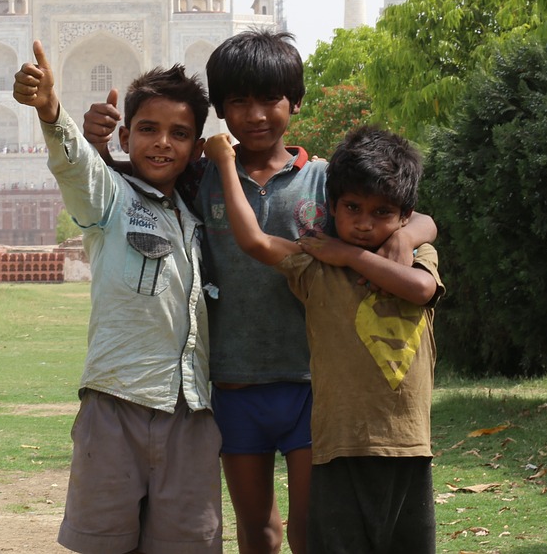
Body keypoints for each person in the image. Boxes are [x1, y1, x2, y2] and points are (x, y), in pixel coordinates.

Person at [83, 29, 437, 554]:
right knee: (257, 530)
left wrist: (408, 234)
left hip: (313, 381)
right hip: (234, 380)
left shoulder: (324, 181)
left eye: (270, 100)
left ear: (295, 101)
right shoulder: (200, 177)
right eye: (238, 102)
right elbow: (128, 185)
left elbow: (408, 212)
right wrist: (97, 143)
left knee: (309, 529)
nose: (255, 116)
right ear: (221, 111)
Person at [13, 41, 222, 554]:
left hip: (190, 412)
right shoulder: (111, 202)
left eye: (179, 134)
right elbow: (77, 166)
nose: (161, 144)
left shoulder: (202, 222)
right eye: (147, 130)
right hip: (114, 405)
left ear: (197, 148)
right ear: (125, 135)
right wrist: (50, 111)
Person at [205, 126, 442, 553]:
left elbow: (422, 290)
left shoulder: (414, 255)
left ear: (404, 216)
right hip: (336, 445)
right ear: (332, 206)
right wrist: (225, 163)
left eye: (382, 212)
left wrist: (354, 253)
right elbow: (254, 241)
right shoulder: (315, 267)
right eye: (352, 208)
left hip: (408, 446)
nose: (365, 223)